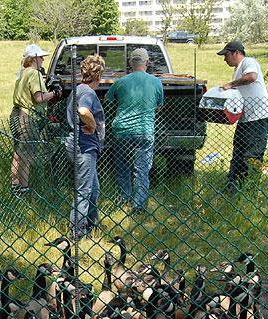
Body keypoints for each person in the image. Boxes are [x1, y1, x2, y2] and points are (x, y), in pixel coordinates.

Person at [105, 48, 164, 215]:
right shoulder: (156, 82)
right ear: (146, 63)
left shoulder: (121, 82)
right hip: (145, 131)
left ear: (131, 63)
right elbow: (159, 105)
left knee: (122, 167)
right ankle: (138, 206)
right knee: (142, 170)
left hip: (122, 131)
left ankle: (124, 199)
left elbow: (108, 101)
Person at [218, 40, 268, 194]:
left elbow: (252, 77)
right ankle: (233, 187)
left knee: (252, 154)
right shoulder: (237, 69)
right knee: (238, 153)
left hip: (259, 117)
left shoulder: (248, 62)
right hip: (245, 119)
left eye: (227, 55)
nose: (225, 59)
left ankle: (250, 190)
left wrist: (231, 84)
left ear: (237, 53)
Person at [10, 44, 60, 198]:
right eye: (40, 57)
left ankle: (15, 185)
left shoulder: (22, 73)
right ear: (32, 59)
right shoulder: (34, 74)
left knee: (18, 152)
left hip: (16, 114)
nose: (43, 59)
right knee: (26, 154)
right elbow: (39, 98)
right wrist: (54, 93)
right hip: (28, 116)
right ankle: (23, 189)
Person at [65, 54, 106, 239]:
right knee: (84, 190)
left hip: (79, 145)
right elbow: (83, 111)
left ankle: (92, 225)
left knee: (93, 188)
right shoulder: (88, 93)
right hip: (84, 146)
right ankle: (77, 231)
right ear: (98, 75)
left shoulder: (78, 89)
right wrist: (92, 125)